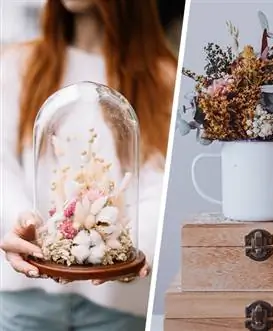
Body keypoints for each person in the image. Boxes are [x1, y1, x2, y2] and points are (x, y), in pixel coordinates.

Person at [0, 0, 176, 330]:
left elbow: (160, 181)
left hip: (118, 304)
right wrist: (22, 223)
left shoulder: (163, 79)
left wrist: (128, 250)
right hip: (26, 296)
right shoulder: (16, 65)